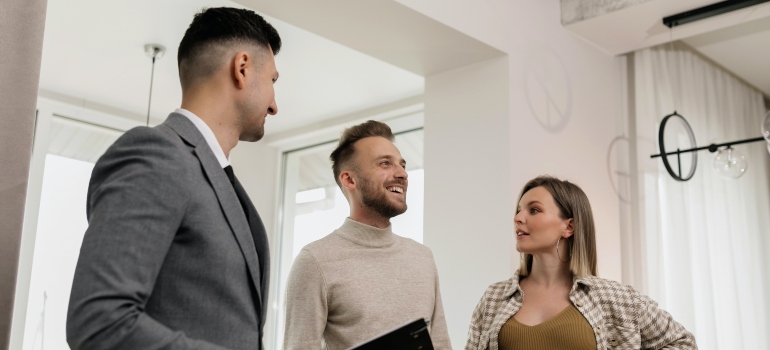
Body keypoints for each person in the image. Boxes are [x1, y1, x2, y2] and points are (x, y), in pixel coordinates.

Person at [66, 7, 281, 350]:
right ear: (242, 68)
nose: (274, 106)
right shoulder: (157, 154)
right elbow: (99, 323)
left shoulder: (215, 175)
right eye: (272, 81)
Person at [465, 176, 697, 350]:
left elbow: (683, 343)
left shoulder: (613, 298)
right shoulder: (494, 298)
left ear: (569, 227)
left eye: (534, 210)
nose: (518, 218)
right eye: (518, 211)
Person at [283, 120, 452, 349]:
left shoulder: (422, 257)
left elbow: (440, 344)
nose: (402, 173)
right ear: (349, 180)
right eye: (385, 163)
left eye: (402, 165)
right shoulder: (315, 261)